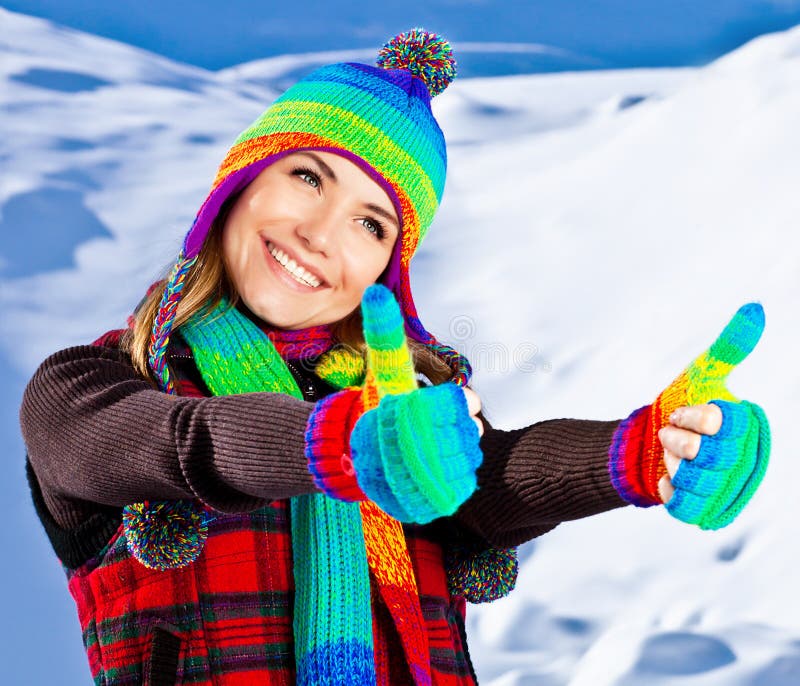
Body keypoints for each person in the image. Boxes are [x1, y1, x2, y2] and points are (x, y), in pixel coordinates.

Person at [19, 28, 770, 686]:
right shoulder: (90, 388)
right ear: (239, 185)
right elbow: (179, 442)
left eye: (371, 224)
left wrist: (646, 452)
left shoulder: (408, 419)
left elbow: (492, 477)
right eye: (308, 176)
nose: (321, 233)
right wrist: (337, 444)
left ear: (389, 270)